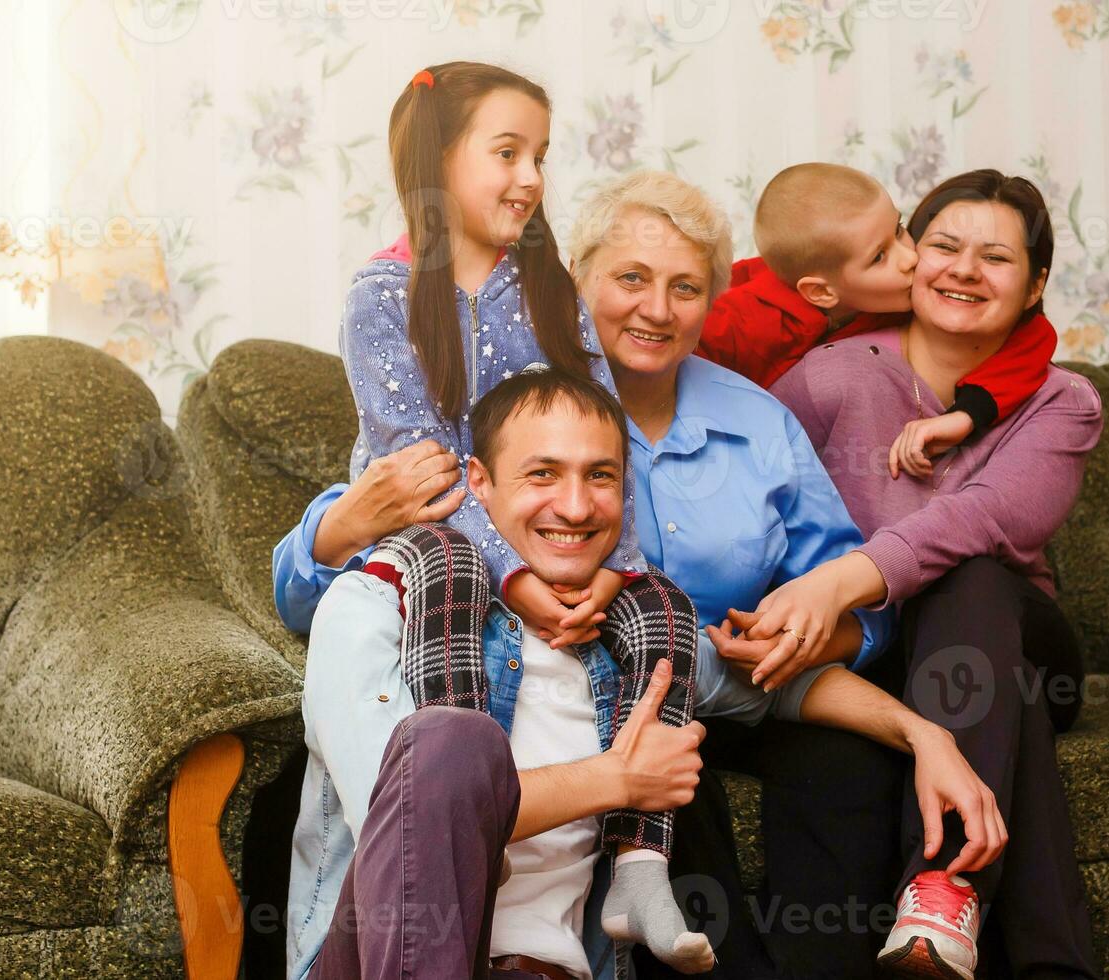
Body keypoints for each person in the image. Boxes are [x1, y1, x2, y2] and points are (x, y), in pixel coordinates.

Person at [278, 169, 1009, 979]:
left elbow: (769, 676)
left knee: (755, 749)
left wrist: (922, 730)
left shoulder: (640, 620)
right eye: (542, 475)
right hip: (395, 942)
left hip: (571, 937)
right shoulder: (411, 564)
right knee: (456, 745)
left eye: (601, 476)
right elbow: (408, 806)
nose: (574, 505)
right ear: (478, 481)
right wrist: (615, 777)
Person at [328, 60, 705, 970]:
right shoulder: (381, 298)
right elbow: (419, 468)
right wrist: (520, 576)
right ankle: (465, 796)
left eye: (541, 155)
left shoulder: (548, 291)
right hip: (437, 531)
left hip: (554, 528)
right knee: (451, 567)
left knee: (665, 607)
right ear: (436, 159)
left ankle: (640, 859)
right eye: (507, 152)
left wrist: (613, 568)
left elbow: (604, 434)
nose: (532, 178)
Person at [756, 169, 1104, 980]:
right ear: (909, 257)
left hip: (1017, 635)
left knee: (969, 575)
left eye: (996, 258)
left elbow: (984, 519)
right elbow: (752, 483)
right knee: (993, 714)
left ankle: (941, 883)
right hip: (885, 659)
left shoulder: (1065, 402)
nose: (963, 270)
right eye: (944, 246)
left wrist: (843, 577)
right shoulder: (832, 375)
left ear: (1036, 285)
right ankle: (1020, 956)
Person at [697, 162, 1058, 483]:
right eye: (880, 256)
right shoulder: (738, 322)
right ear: (822, 292)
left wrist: (969, 412)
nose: (909, 258)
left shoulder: (895, 297)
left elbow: (1033, 335)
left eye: (900, 230)